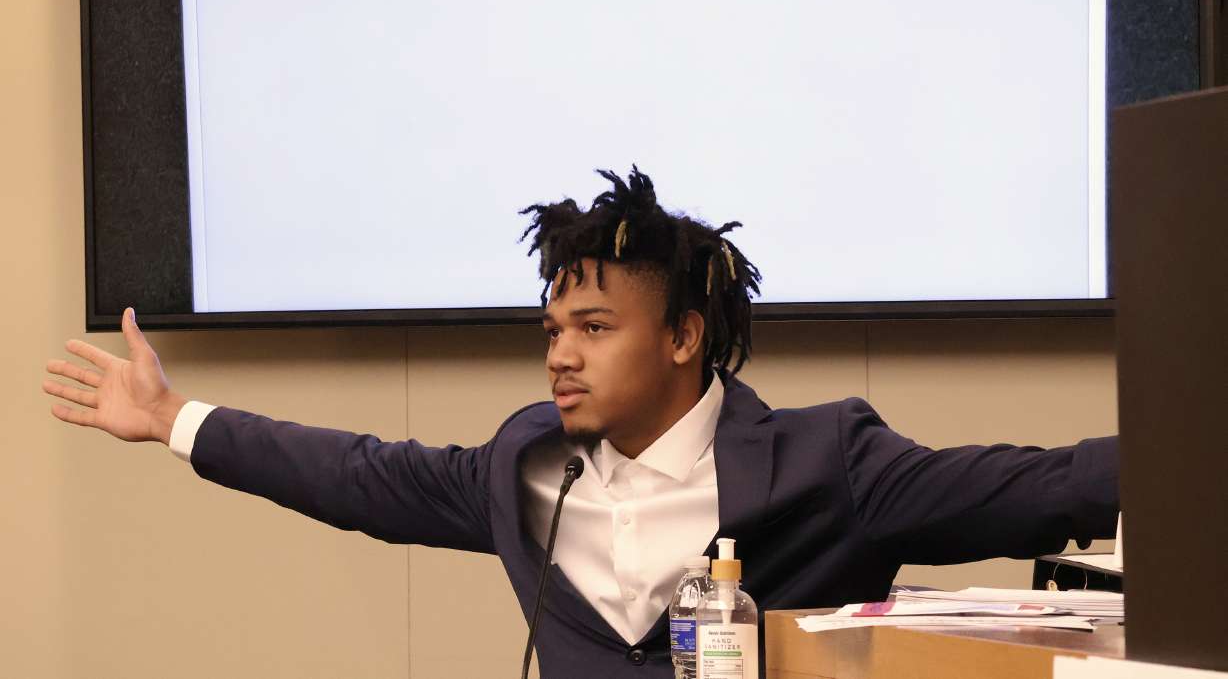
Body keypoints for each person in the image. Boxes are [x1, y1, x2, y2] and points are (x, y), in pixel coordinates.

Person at [43, 168, 1119, 678]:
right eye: (553, 325)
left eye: (594, 325)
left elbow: (1033, 484)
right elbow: (360, 474)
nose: (560, 351)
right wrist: (179, 419)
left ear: (683, 336)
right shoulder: (525, 465)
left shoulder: (826, 464)